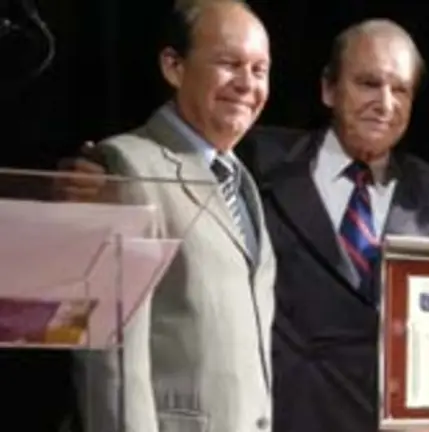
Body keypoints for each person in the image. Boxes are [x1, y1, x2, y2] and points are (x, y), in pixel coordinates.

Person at [254, 18, 429, 432]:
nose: (385, 103)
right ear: (329, 89)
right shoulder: (258, 164)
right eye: (369, 83)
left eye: (400, 89)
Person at [67, 1, 277, 431]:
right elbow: (112, 358)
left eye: (259, 70)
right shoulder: (127, 167)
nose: (246, 84)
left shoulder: (242, 182)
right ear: (174, 66)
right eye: (228, 63)